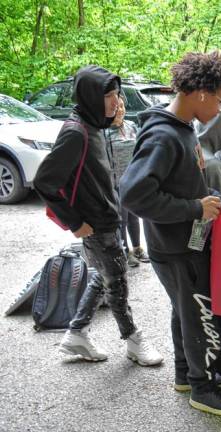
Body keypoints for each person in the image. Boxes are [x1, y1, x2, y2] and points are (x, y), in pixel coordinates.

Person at [120, 51, 221, 416]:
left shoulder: (183, 129)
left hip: (182, 242)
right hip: (176, 247)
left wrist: (208, 200)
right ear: (202, 93)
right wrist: (194, 209)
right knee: (198, 312)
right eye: (220, 99)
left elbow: (184, 182)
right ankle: (203, 389)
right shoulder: (164, 136)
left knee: (184, 311)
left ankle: (187, 374)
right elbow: (133, 193)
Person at [33, 65, 162, 366]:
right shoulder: (75, 132)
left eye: (117, 94)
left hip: (106, 217)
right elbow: (44, 181)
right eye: (110, 95)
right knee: (117, 281)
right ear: (92, 96)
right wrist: (74, 222)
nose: (117, 101)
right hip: (94, 222)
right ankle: (133, 340)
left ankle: (76, 334)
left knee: (103, 277)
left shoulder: (93, 125)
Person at [105, 95, 149, 267]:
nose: (120, 110)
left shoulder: (130, 127)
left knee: (134, 216)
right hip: (116, 183)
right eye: (116, 108)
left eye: (122, 107)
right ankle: (125, 251)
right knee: (121, 219)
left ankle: (138, 248)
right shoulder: (105, 132)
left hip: (133, 180)